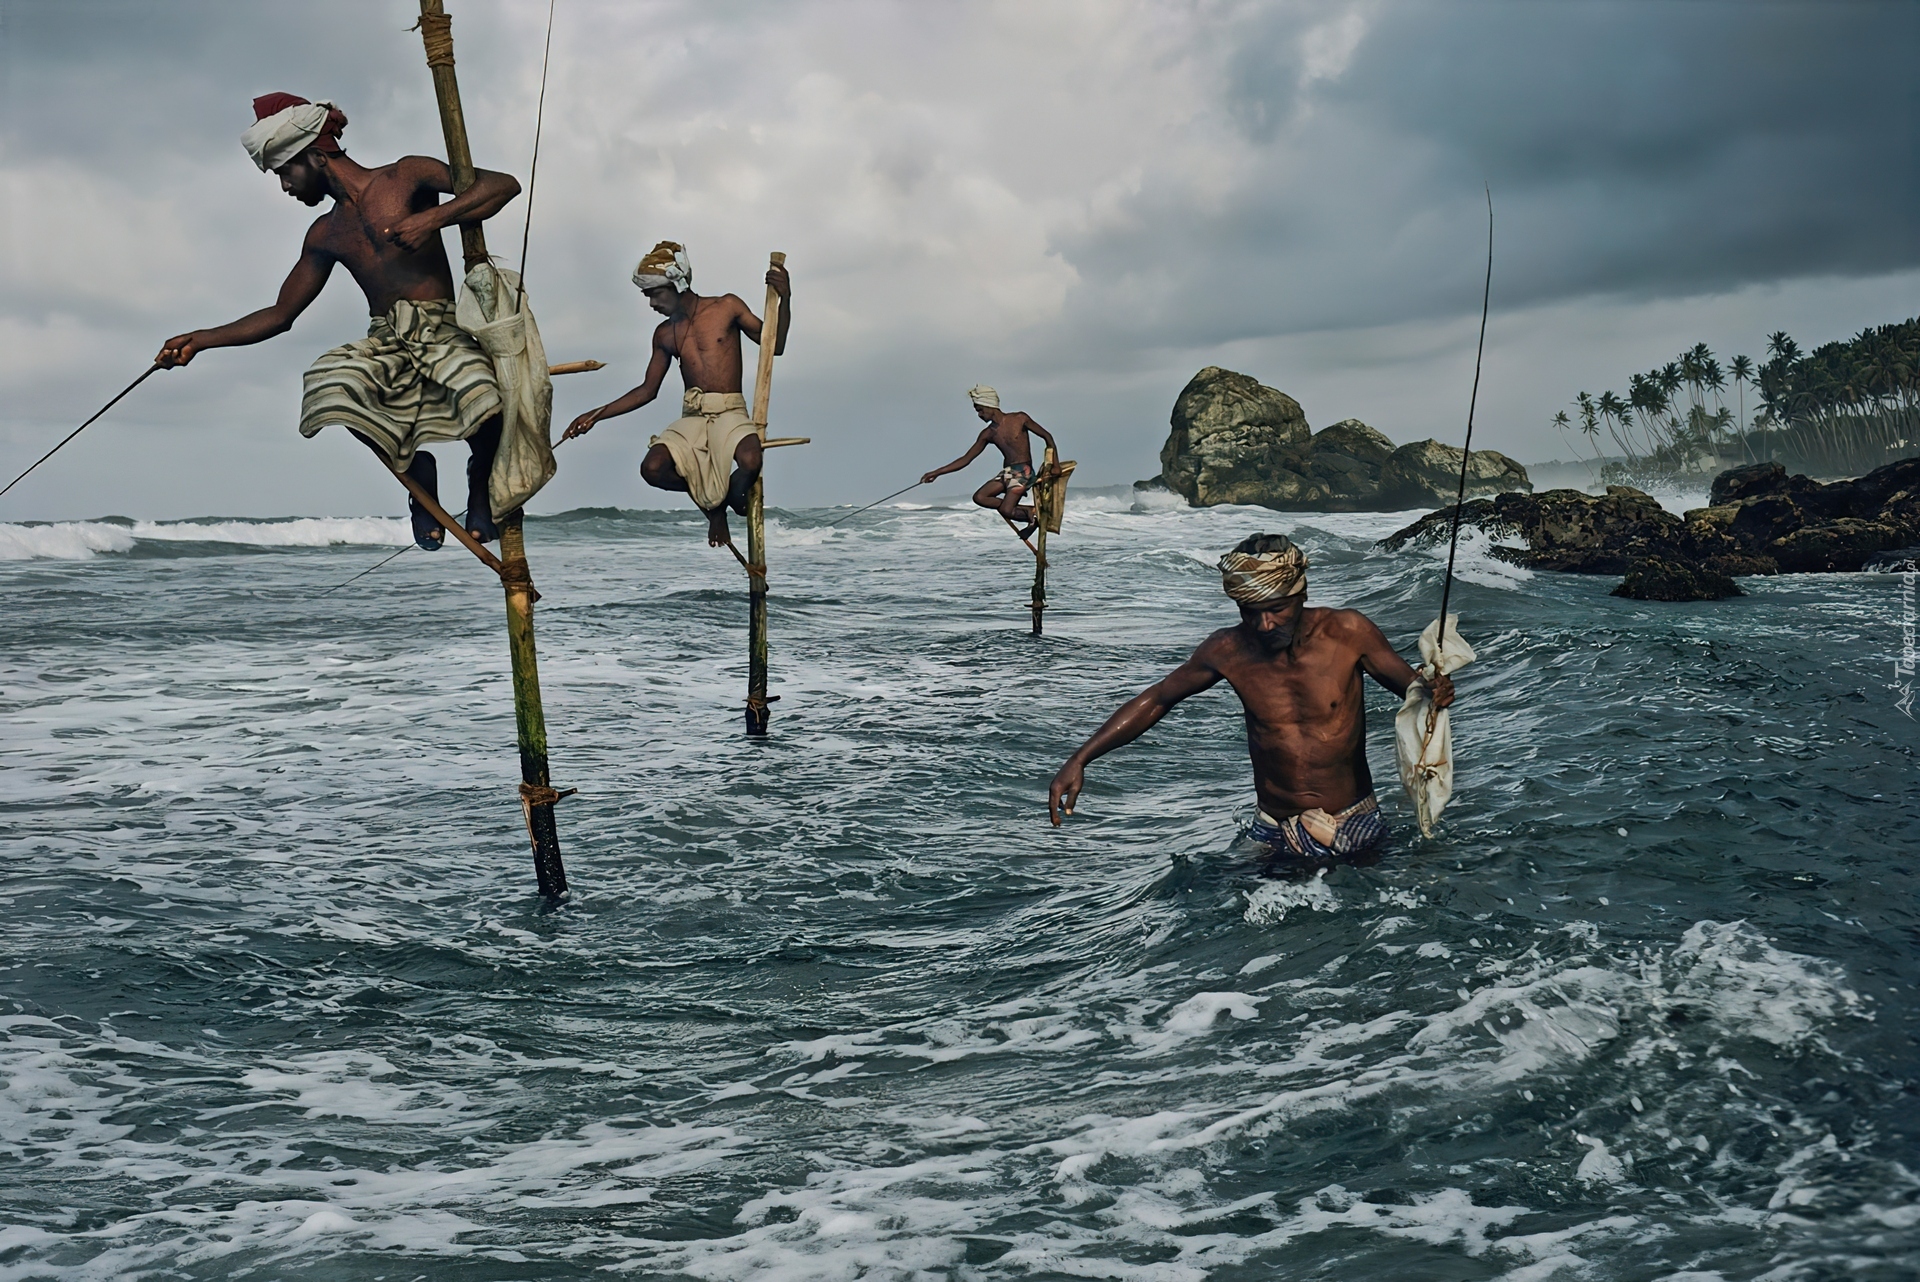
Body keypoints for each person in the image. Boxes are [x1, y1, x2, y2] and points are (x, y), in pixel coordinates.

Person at [155, 94, 523, 550]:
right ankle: (416, 477)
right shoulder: (324, 234)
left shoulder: (406, 175)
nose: (286, 187)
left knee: (484, 397)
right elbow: (280, 314)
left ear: (314, 155)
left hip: (441, 328)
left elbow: (502, 185)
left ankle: (479, 487)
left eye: (285, 172)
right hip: (387, 339)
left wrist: (433, 219)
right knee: (329, 384)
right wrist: (201, 340)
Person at [1046, 533, 1456, 864]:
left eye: (1275, 609)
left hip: (1352, 821)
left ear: (1300, 596)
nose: (1263, 624)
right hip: (1272, 828)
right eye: (1249, 611)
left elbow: (1413, 689)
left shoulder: (1348, 633)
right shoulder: (1226, 650)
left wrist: (1436, 689)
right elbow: (1158, 698)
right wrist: (1080, 759)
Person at [561, 242, 793, 547]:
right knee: (652, 469)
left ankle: (725, 500)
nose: (651, 304)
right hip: (693, 416)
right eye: (648, 296)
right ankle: (716, 508)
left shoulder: (726, 307)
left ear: (678, 284)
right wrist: (594, 415)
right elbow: (647, 390)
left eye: (655, 294)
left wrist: (784, 299)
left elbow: (774, 345)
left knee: (750, 460)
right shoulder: (663, 334)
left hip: (729, 411)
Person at [920, 386, 1057, 539]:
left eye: (980, 410)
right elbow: (966, 459)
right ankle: (1029, 512)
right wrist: (937, 473)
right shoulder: (988, 433)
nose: (979, 415)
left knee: (1006, 510)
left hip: (1023, 472)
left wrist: (1055, 464)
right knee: (980, 497)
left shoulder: (1019, 419)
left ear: (989, 405)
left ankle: (1029, 516)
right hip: (1007, 473)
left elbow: (1047, 437)